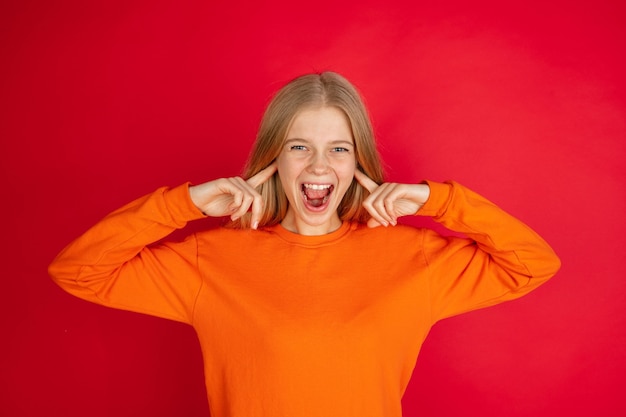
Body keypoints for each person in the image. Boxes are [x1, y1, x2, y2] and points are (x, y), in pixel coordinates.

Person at [49, 71, 560, 416]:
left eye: (339, 149)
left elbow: (533, 263)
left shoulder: (415, 257)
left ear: (358, 162)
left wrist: (440, 200)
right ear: (274, 157)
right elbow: (77, 270)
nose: (319, 167)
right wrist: (185, 204)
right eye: (299, 147)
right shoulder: (212, 260)